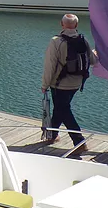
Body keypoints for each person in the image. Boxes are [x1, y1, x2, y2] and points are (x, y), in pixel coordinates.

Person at [41, 14, 98, 151]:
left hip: (59, 84)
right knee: (60, 108)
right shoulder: (83, 40)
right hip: (76, 83)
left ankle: (79, 142)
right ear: (76, 25)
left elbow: (50, 66)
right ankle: (52, 135)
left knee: (64, 110)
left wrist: (44, 85)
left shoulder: (56, 41)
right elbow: (93, 61)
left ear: (61, 24)